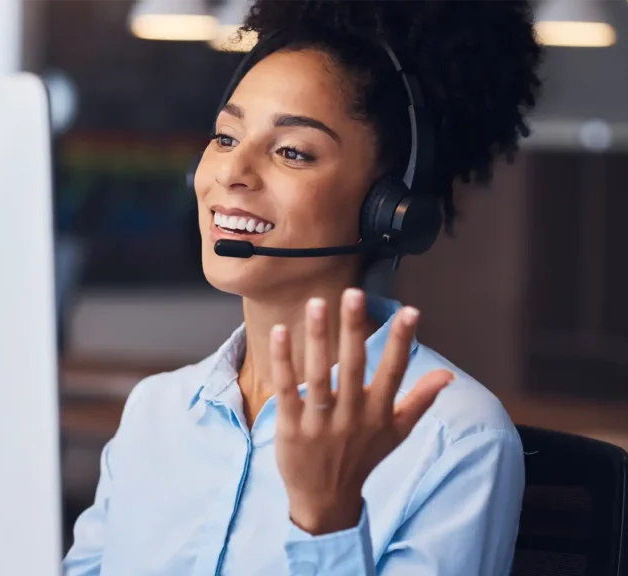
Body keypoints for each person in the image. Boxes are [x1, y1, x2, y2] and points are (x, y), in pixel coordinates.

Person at [63, 0, 542, 574]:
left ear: (388, 208)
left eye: (292, 151)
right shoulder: (156, 412)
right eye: (225, 137)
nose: (232, 173)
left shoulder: (456, 438)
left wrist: (326, 520)